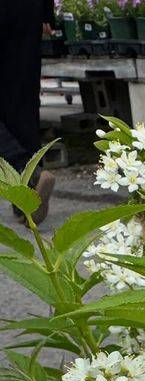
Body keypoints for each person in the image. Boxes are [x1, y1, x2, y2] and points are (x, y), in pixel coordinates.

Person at [0, 0, 56, 224]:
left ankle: (27, 172)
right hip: (27, 10)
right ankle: (26, 202)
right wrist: (46, 12)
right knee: (21, 99)